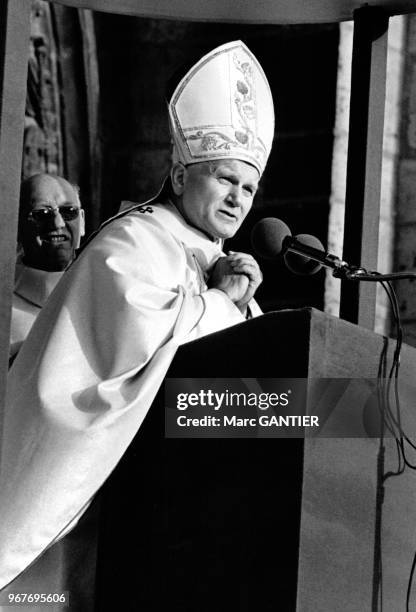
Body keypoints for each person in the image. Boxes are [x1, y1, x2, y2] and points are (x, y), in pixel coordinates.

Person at [0, 40, 275, 593]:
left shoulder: (226, 269)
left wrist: (351, 411)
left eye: (247, 188)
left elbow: (258, 394)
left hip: (192, 516)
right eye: (224, 178)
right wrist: (223, 304)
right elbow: (137, 360)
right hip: (106, 510)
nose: (237, 198)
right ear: (178, 177)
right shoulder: (128, 242)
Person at [10, 173, 85, 361]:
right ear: (16, 225)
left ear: (82, 222)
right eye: (42, 214)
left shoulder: (109, 284)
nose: (58, 223)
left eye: (69, 212)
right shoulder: (6, 306)